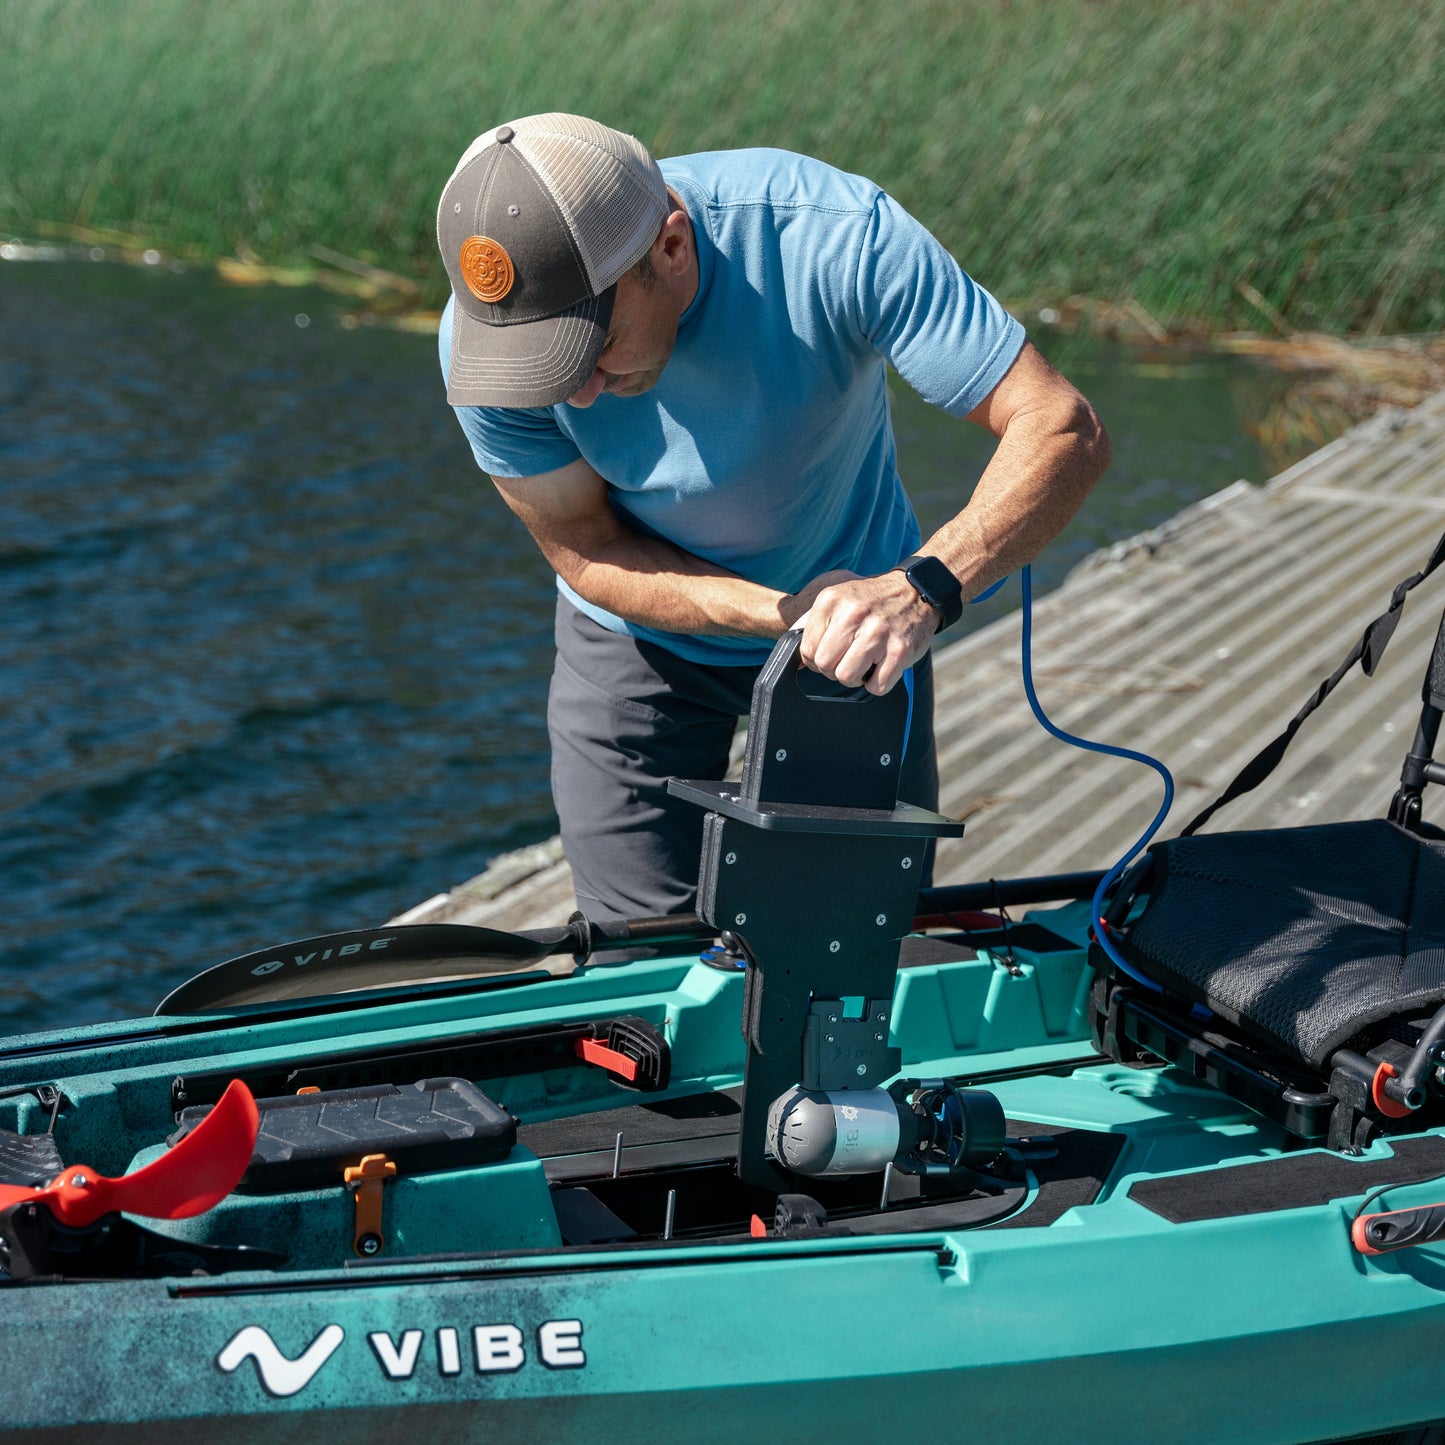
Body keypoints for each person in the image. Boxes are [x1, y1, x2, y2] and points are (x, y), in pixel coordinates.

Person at [435, 113, 1109, 920]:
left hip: (860, 638)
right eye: (545, 364)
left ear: (671, 247)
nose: (573, 391)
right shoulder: (485, 353)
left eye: (593, 344)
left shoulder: (830, 237)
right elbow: (586, 546)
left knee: (858, 936)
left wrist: (918, 589)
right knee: (636, 962)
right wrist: (786, 614)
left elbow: (1059, 425)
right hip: (634, 646)